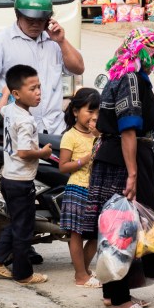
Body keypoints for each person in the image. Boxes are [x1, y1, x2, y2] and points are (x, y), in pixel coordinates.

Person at [91, 28, 154, 308]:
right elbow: (128, 129)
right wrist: (132, 173)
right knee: (122, 230)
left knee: (116, 225)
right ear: (148, 53)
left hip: (111, 156)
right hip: (123, 158)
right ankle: (121, 301)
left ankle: (111, 293)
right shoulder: (131, 79)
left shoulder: (119, 74)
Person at [0, 0, 85, 135]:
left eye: (41, 20)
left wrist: (61, 41)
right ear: (18, 16)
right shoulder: (0, 42)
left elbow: (79, 68)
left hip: (54, 128)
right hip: (18, 129)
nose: (35, 25)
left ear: (48, 19)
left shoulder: (54, 41)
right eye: (30, 20)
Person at [0, 64, 53, 284]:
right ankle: (24, 274)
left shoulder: (11, 110)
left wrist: (3, 94)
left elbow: (1, 107)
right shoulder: (26, 120)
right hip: (21, 181)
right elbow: (24, 152)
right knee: (24, 230)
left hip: (9, 178)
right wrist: (44, 153)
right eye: (32, 89)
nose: (38, 92)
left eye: (39, 87)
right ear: (17, 94)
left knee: (17, 223)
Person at [58, 87, 102, 288]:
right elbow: (63, 166)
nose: (94, 116)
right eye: (90, 111)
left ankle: (83, 271)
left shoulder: (98, 135)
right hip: (77, 189)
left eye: (97, 112)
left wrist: (100, 136)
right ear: (76, 112)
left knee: (97, 234)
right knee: (76, 233)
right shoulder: (70, 136)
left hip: (95, 190)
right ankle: (80, 275)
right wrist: (82, 161)